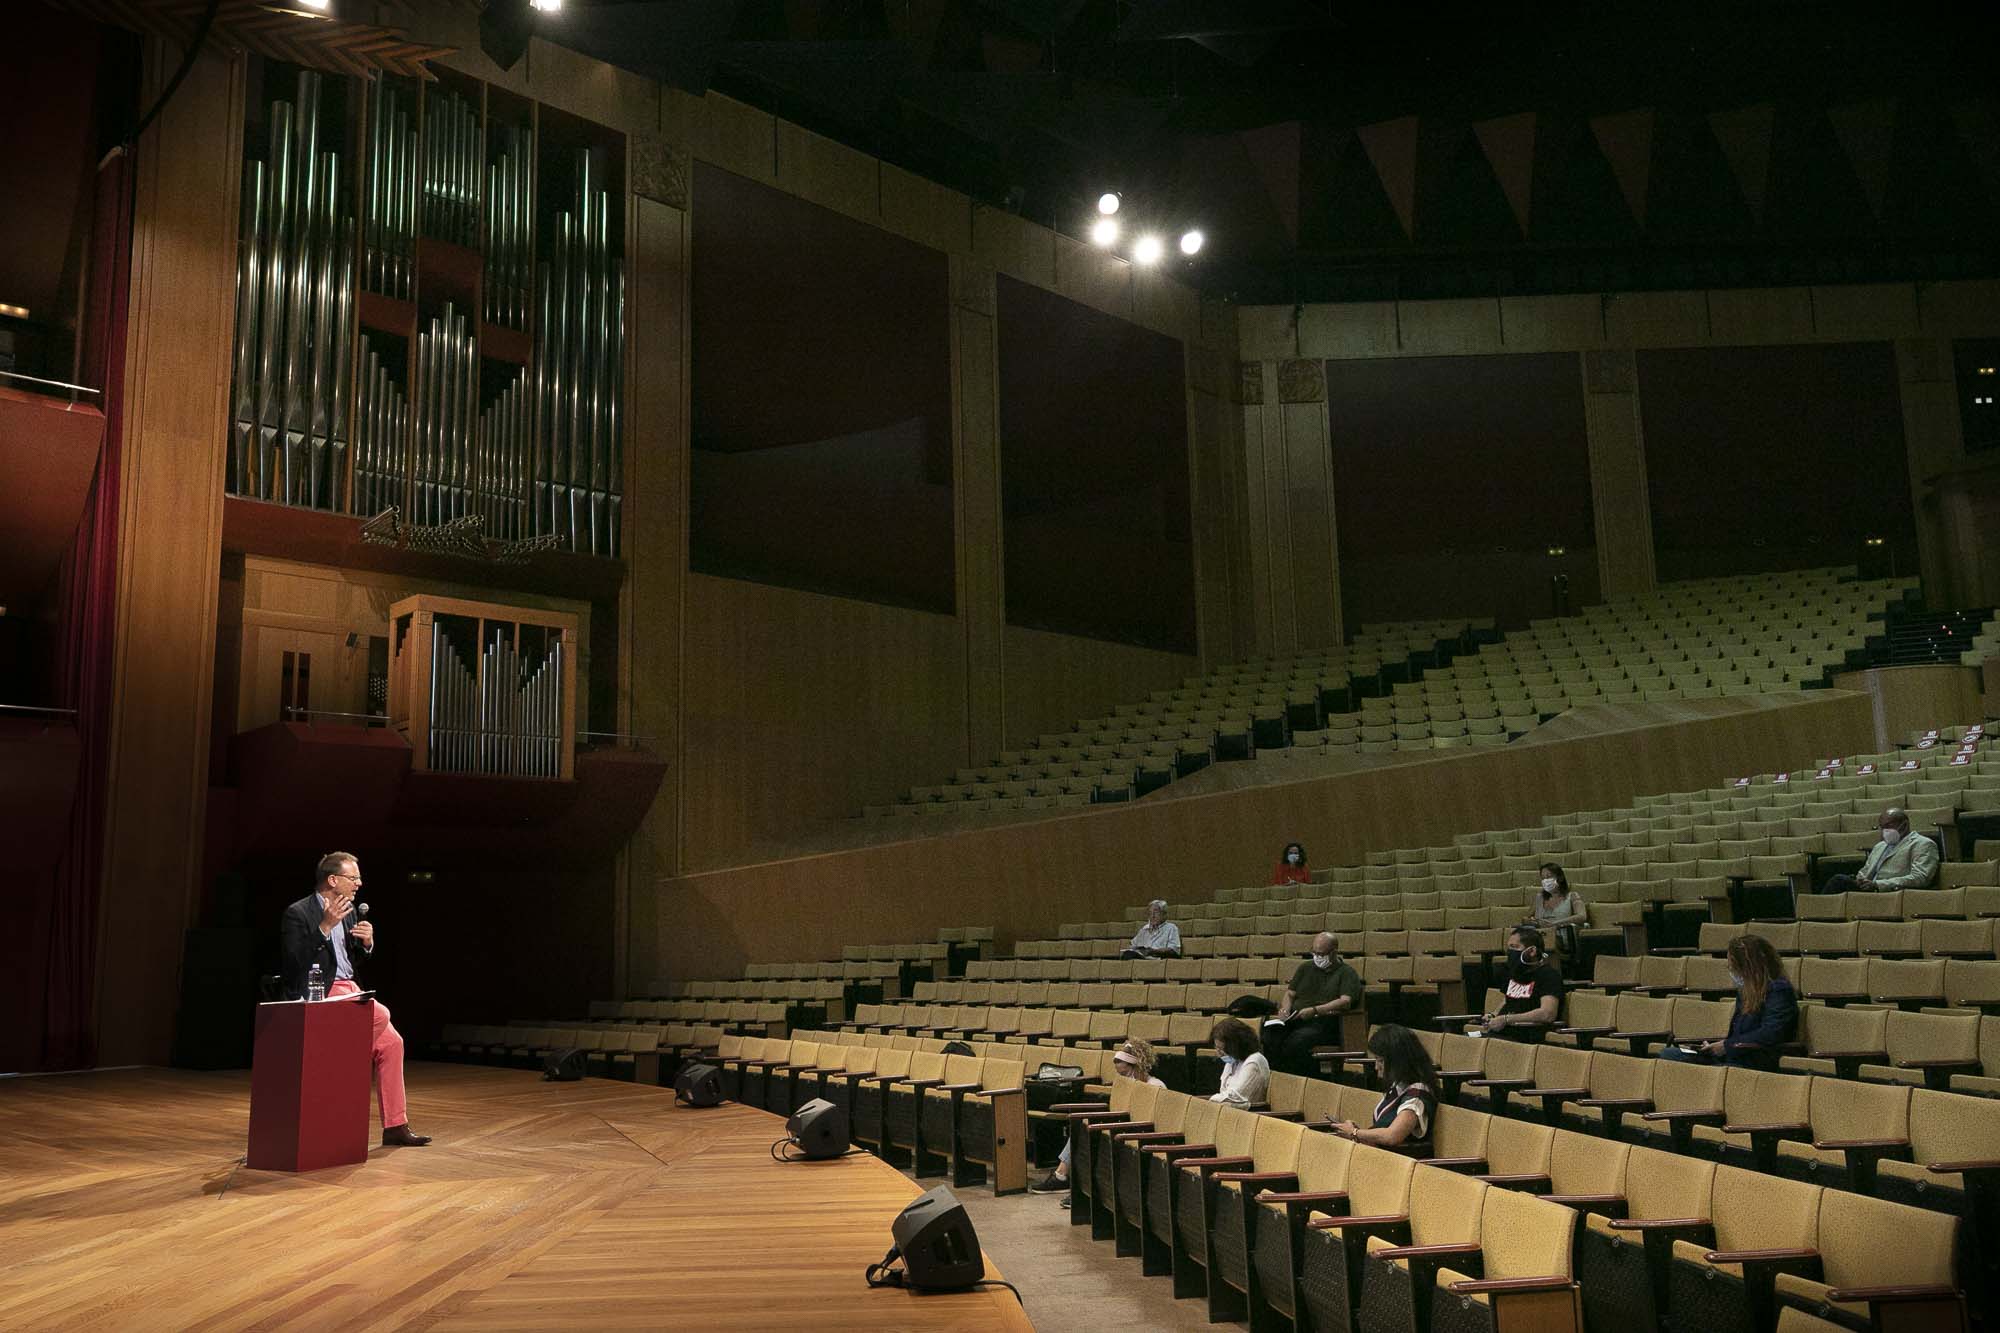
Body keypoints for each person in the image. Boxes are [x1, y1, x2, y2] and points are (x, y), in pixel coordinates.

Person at [279, 851, 431, 1147]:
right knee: (381, 1014)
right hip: (321, 992)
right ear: (333, 880)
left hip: (350, 988)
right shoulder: (298, 913)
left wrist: (367, 943)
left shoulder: (350, 913)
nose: (359, 883)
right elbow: (293, 964)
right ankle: (335, 1061)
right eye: (354, 877)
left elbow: (350, 962)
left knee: (392, 1044)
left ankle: (395, 1126)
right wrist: (324, 927)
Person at [1030, 1039, 1164, 1196]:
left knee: (1093, 1134)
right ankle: (1066, 1178)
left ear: (1138, 1066)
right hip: (1123, 1127)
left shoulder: (1156, 1087)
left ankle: (1078, 1186)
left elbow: (1148, 1119)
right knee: (1082, 1126)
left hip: (1140, 1133)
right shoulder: (1129, 1085)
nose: (1124, 1078)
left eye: (1126, 1073)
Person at [1658, 935, 1798, 1072]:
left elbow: (1771, 1033)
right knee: (1670, 1054)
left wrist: (1726, 1046)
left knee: (1708, 1072)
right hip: (1733, 1056)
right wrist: (1715, 1047)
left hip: (1755, 1061)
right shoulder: (1745, 991)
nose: (1731, 971)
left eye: (1733, 967)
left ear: (1748, 967)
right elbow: (1738, 1033)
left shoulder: (1778, 990)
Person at [1261, 933, 1364, 1075]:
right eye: (1314, 952)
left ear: (1334, 952)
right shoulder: (1305, 968)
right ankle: (1277, 1077)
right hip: (1296, 1019)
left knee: (1296, 1041)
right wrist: (1285, 1009)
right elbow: (1290, 994)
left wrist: (1315, 1010)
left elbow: (1345, 1001)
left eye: (1321, 954)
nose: (1317, 957)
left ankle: (1302, 1079)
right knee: (1269, 1034)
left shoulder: (1347, 972)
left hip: (1324, 1022)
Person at [1326, 1025, 1438, 1151]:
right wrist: (1357, 1133)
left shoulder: (1417, 1094)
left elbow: (1392, 1136)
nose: (1376, 1067)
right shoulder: (1398, 1085)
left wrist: (1355, 1132)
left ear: (1397, 1061)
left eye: (1380, 1061)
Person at [1476, 925, 1562, 1040]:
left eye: (1514, 947)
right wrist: (1493, 1015)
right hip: (1501, 1033)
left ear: (1532, 951)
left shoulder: (1549, 975)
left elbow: (1547, 1014)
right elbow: (1507, 1000)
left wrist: (1506, 1019)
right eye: (1509, 948)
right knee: (1461, 1041)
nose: (1510, 952)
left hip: (1525, 1036)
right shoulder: (1514, 973)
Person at [1822, 808, 1939, 893]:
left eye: (1888, 826)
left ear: (1904, 825)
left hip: (1890, 892)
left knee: (1839, 880)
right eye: (1882, 827)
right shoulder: (1880, 846)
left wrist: (1879, 885)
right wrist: (1860, 880)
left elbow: (1921, 878)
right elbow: (1865, 871)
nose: (1884, 831)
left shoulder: (1923, 844)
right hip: (1868, 890)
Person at [1530, 863, 1588, 961]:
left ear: (1559, 878)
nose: (1545, 881)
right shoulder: (1539, 898)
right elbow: (1526, 917)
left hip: (1562, 936)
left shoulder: (1572, 896)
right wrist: (1532, 921)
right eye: (1543, 878)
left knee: (1539, 942)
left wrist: (1554, 924)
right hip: (1541, 935)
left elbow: (1582, 916)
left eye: (1549, 877)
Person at [1210, 1017, 1271, 1107]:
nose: (1219, 1054)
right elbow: (1223, 1092)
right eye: (1217, 1048)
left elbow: (1236, 1097)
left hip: (1252, 1114)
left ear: (1236, 1046)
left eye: (1222, 1049)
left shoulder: (1254, 1060)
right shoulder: (1232, 1061)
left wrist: (1214, 1099)